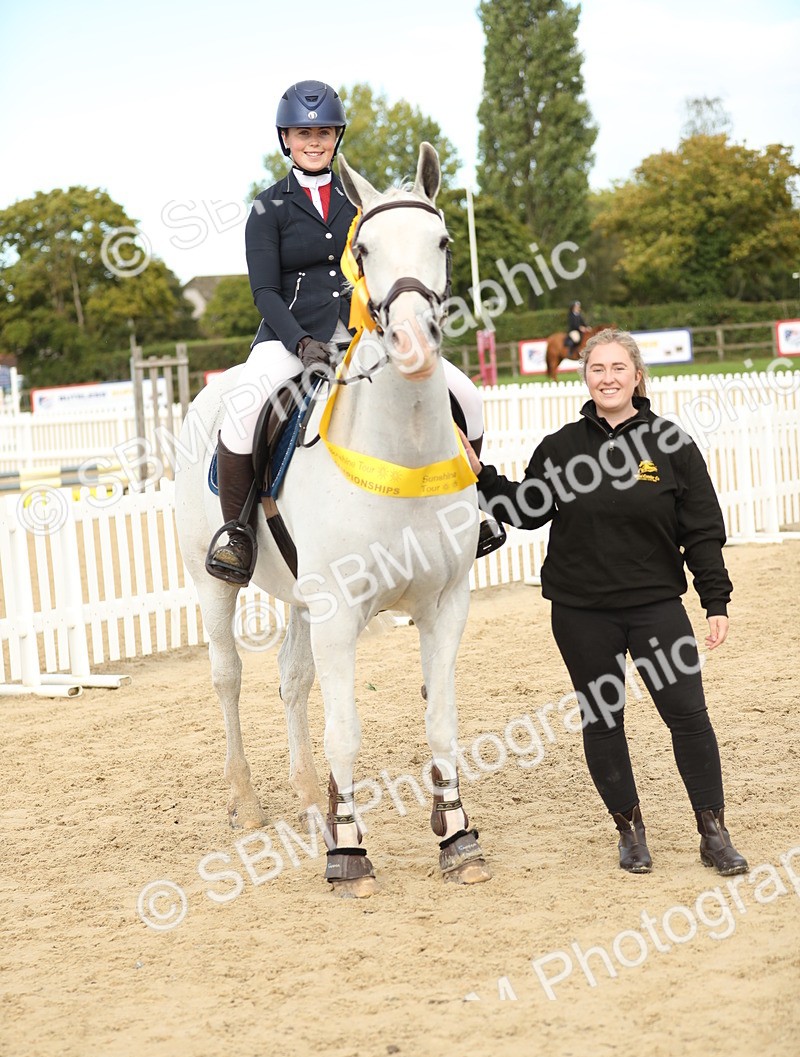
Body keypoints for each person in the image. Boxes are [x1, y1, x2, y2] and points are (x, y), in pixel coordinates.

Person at [460, 328, 749, 877]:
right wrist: (481, 476)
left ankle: (714, 833)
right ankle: (630, 831)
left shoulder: (672, 444)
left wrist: (716, 599)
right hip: (581, 611)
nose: (608, 378)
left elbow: (703, 530)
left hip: (656, 607)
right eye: (598, 369)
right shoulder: (562, 447)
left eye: (619, 368)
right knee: (603, 719)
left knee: (688, 717)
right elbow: (526, 509)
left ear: (637, 377)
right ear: (586, 377)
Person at [207, 79, 485, 584]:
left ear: (337, 137)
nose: (314, 142)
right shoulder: (268, 207)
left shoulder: (362, 199)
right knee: (244, 405)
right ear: (285, 139)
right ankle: (236, 533)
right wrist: (301, 342)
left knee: (465, 392)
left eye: (324, 132)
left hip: (364, 334)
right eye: (302, 133)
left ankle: (470, 506)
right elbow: (265, 291)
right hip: (290, 337)